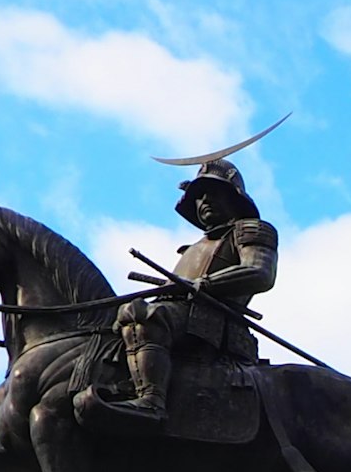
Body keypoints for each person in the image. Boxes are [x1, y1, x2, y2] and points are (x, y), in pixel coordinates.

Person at [89, 144, 279, 426]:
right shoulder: (192, 248)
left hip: (214, 322)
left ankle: (151, 400)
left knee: (144, 314)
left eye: (212, 193)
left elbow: (259, 272)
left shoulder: (250, 230)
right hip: (181, 316)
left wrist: (203, 284)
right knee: (114, 323)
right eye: (198, 196)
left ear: (234, 198)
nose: (204, 201)